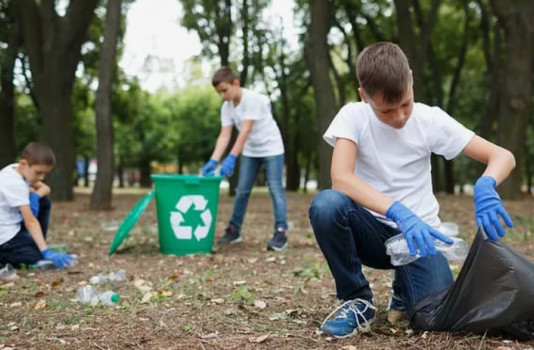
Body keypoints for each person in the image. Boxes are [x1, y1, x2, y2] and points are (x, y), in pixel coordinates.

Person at [309, 42, 515, 338]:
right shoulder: (353, 116)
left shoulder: (430, 120)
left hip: (418, 238)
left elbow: (503, 156)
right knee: (327, 205)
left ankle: (404, 291)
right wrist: (397, 210)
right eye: (386, 109)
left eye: (406, 103)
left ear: (411, 80)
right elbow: (341, 179)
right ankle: (357, 300)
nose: (400, 117)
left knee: (434, 319)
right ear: (363, 96)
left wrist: (486, 183)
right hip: (370, 232)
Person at [202, 66, 288, 251]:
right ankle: (234, 230)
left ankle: (281, 232)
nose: (222, 95)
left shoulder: (252, 100)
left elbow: (246, 130)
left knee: (275, 188)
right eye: (219, 92)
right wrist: (213, 161)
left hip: (271, 148)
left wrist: (231, 157)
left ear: (236, 83)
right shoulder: (226, 107)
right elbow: (224, 135)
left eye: (224, 90)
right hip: (251, 150)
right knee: (241, 190)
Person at [0, 142, 74, 269]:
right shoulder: (15, 183)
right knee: (36, 257)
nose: (41, 177)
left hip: (11, 225)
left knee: (44, 201)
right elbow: (30, 222)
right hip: (0, 234)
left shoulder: (17, 169)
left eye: (44, 174)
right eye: (38, 173)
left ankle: (34, 243)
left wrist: (35, 196)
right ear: (24, 163)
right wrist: (45, 251)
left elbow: (45, 188)